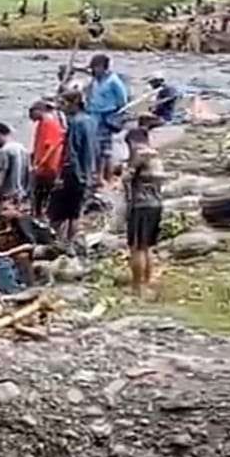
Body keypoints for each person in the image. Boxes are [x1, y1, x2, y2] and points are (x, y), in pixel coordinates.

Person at [123, 128, 167, 296]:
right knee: (148, 247)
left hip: (141, 205)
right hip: (156, 203)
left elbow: (127, 178)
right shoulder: (155, 156)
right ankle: (147, 282)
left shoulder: (140, 155)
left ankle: (136, 287)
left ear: (133, 142)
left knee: (137, 247)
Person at [49, 90, 97, 242]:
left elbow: (72, 151)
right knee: (75, 212)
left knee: (59, 212)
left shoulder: (75, 123)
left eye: (65, 103)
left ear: (74, 103)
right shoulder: (91, 120)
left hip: (74, 173)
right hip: (87, 170)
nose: (63, 108)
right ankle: (72, 241)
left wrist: (63, 174)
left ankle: (60, 241)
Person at [86, 54, 129, 188]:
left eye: (95, 67)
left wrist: (116, 117)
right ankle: (97, 175)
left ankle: (106, 178)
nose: (93, 70)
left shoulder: (113, 81)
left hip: (107, 117)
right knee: (95, 148)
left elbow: (123, 102)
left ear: (103, 67)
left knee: (105, 150)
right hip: (94, 116)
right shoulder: (95, 81)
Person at [29, 100, 65, 220]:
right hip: (42, 165)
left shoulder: (49, 124)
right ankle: (38, 214)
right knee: (38, 193)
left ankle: (41, 216)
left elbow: (51, 147)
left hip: (48, 167)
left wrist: (40, 163)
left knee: (42, 193)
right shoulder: (42, 123)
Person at [0, 122, 29, 214]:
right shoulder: (23, 149)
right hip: (23, 196)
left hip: (8, 197)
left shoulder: (3, 151)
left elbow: (0, 178)